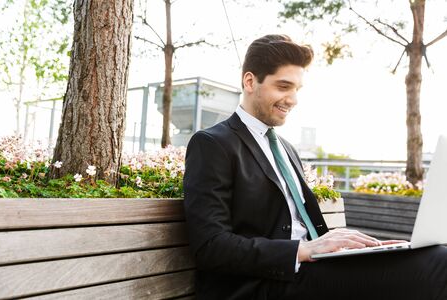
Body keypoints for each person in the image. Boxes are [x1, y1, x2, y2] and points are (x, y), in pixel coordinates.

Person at [183, 34, 447, 300]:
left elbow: (301, 225)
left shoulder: (286, 149)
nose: (293, 99)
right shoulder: (213, 144)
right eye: (283, 86)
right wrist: (301, 250)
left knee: (431, 256)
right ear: (250, 81)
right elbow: (210, 246)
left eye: (297, 89)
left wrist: (355, 248)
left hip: (308, 271)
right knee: (437, 264)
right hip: (259, 284)